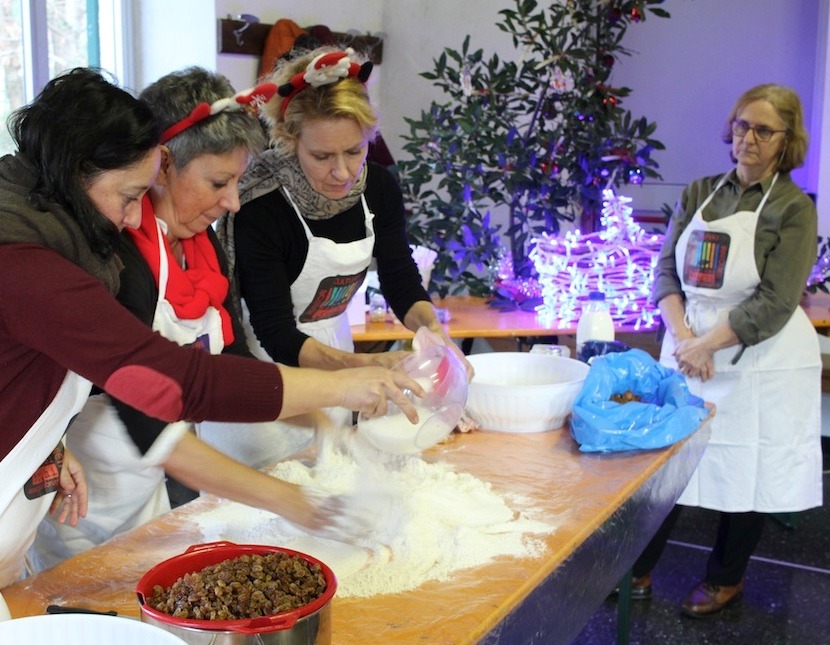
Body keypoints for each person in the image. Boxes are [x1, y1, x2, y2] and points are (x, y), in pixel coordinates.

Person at [0, 67, 422, 588]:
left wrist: (324, 423)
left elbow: (227, 361)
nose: (233, 203)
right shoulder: (49, 262)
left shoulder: (174, 246)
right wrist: (334, 405)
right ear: (162, 167)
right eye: (219, 183)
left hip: (111, 494)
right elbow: (171, 386)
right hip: (88, 514)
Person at [627, 83, 822, 617]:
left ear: (787, 140)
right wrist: (686, 341)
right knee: (665, 463)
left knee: (747, 464)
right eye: (741, 125)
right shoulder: (699, 192)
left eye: (764, 130)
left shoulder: (794, 208)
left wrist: (708, 343)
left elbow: (777, 300)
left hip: (759, 356)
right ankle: (636, 569)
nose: (749, 139)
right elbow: (665, 271)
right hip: (689, 340)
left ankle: (725, 579)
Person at [219, 46, 472, 383]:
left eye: (355, 151)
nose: (342, 172)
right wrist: (374, 366)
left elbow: (399, 278)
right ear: (289, 140)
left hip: (339, 349)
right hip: (270, 372)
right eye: (322, 156)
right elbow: (275, 333)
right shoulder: (261, 209)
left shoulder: (378, 187)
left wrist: (434, 333)